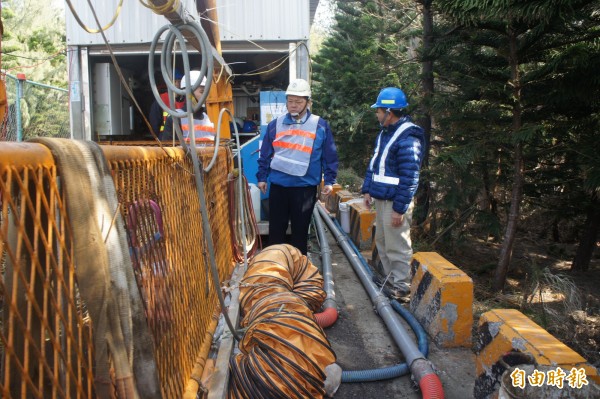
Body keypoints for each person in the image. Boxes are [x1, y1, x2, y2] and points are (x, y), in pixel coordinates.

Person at [257, 78, 338, 255]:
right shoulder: (275, 124)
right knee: (276, 231)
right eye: (290, 101)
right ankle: (274, 268)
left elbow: (329, 156)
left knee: (300, 233)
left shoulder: (320, 126)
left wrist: (330, 181)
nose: (293, 105)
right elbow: (265, 154)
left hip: (304, 188)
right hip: (279, 186)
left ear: (308, 102)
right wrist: (262, 177)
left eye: (298, 101)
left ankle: (299, 270)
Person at [361, 87, 425, 298]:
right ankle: (391, 282)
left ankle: (402, 286)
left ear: (389, 112)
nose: (376, 114)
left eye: (379, 110)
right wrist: (368, 189)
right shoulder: (385, 134)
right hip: (381, 197)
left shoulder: (408, 137)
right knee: (383, 241)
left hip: (394, 202)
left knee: (397, 245)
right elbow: (374, 164)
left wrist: (399, 208)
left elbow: (410, 177)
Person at [161, 70, 215, 142]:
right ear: (188, 93)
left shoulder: (208, 119)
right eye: (202, 92)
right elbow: (169, 151)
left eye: (206, 92)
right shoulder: (175, 119)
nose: (205, 96)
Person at [149, 69, 185, 137]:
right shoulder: (161, 100)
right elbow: (154, 123)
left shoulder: (188, 101)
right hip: (165, 139)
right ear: (168, 83)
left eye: (179, 81)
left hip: (184, 138)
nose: (177, 84)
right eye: (174, 81)